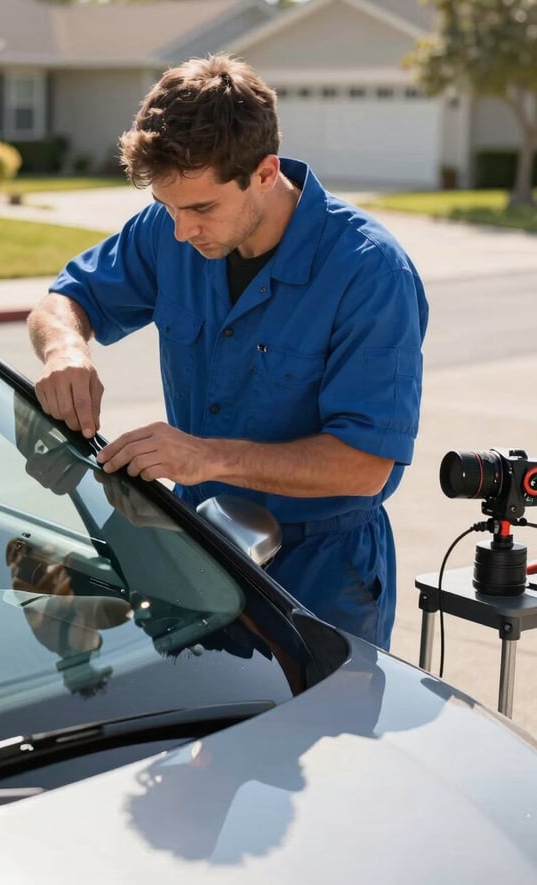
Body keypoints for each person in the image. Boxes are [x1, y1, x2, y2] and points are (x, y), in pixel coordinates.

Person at [27, 53, 429, 650]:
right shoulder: (169, 229)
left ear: (264, 173)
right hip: (199, 552)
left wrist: (206, 458)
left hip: (322, 575)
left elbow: (365, 465)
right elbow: (64, 300)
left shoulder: (369, 271)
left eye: (201, 208)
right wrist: (65, 350)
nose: (182, 230)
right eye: (168, 207)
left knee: (313, 740)